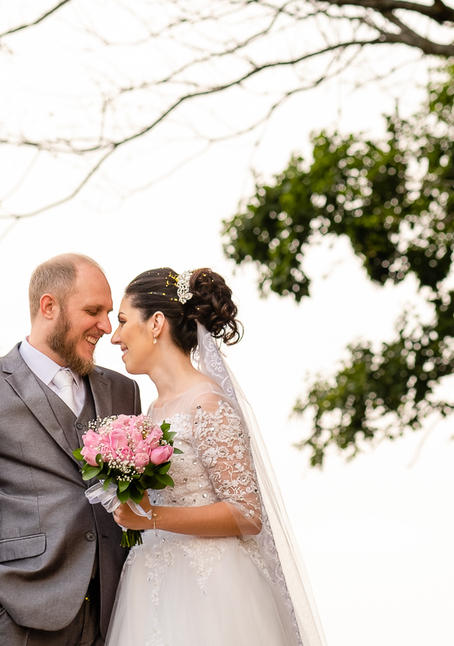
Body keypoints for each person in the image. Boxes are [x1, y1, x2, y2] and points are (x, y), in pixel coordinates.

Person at [0, 253, 142, 646]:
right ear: (48, 306)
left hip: (112, 618)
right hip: (16, 621)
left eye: (108, 312)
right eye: (93, 311)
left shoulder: (123, 390)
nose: (105, 325)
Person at [104, 267, 326, 646]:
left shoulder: (207, 403)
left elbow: (246, 513)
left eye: (123, 321)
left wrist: (153, 518)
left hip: (213, 589)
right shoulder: (150, 413)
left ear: (156, 323)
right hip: (149, 583)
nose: (114, 337)